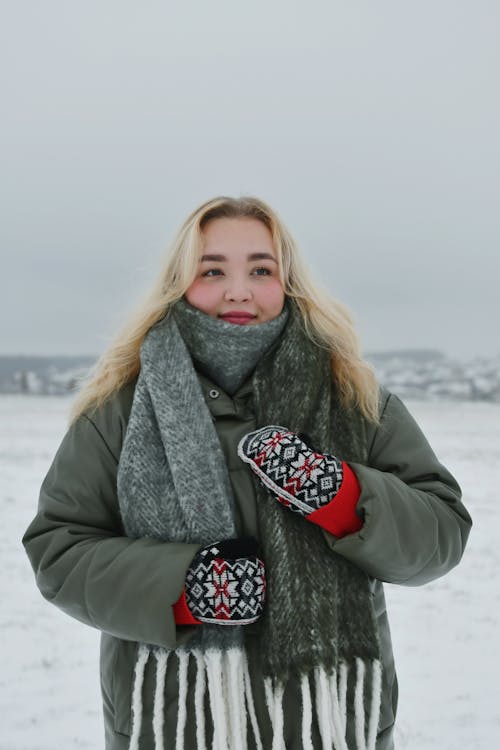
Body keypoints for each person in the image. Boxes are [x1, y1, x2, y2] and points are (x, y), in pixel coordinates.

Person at [22, 195, 472, 750]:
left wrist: (344, 498)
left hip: (330, 723)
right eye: (213, 270)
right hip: (174, 727)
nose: (238, 290)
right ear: (180, 283)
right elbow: (59, 550)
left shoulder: (356, 399)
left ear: (289, 283)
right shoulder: (118, 409)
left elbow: (442, 532)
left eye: (261, 269)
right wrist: (186, 589)